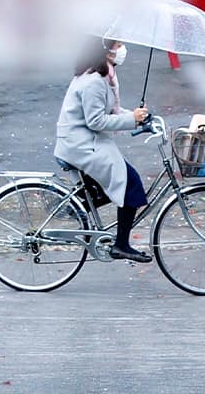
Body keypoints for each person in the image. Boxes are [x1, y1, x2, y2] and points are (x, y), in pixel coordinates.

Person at [54, 37, 152, 263]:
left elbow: (110, 111)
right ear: (106, 52)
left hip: (85, 141)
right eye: (118, 46)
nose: (122, 50)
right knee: (131, 182)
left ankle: (75, 207)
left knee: (114, 183)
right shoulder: (94, 81)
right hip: (81, 144)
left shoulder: (102, 76)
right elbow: (96, 121)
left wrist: (139, 118)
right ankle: (121, 245)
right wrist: (132, 120)